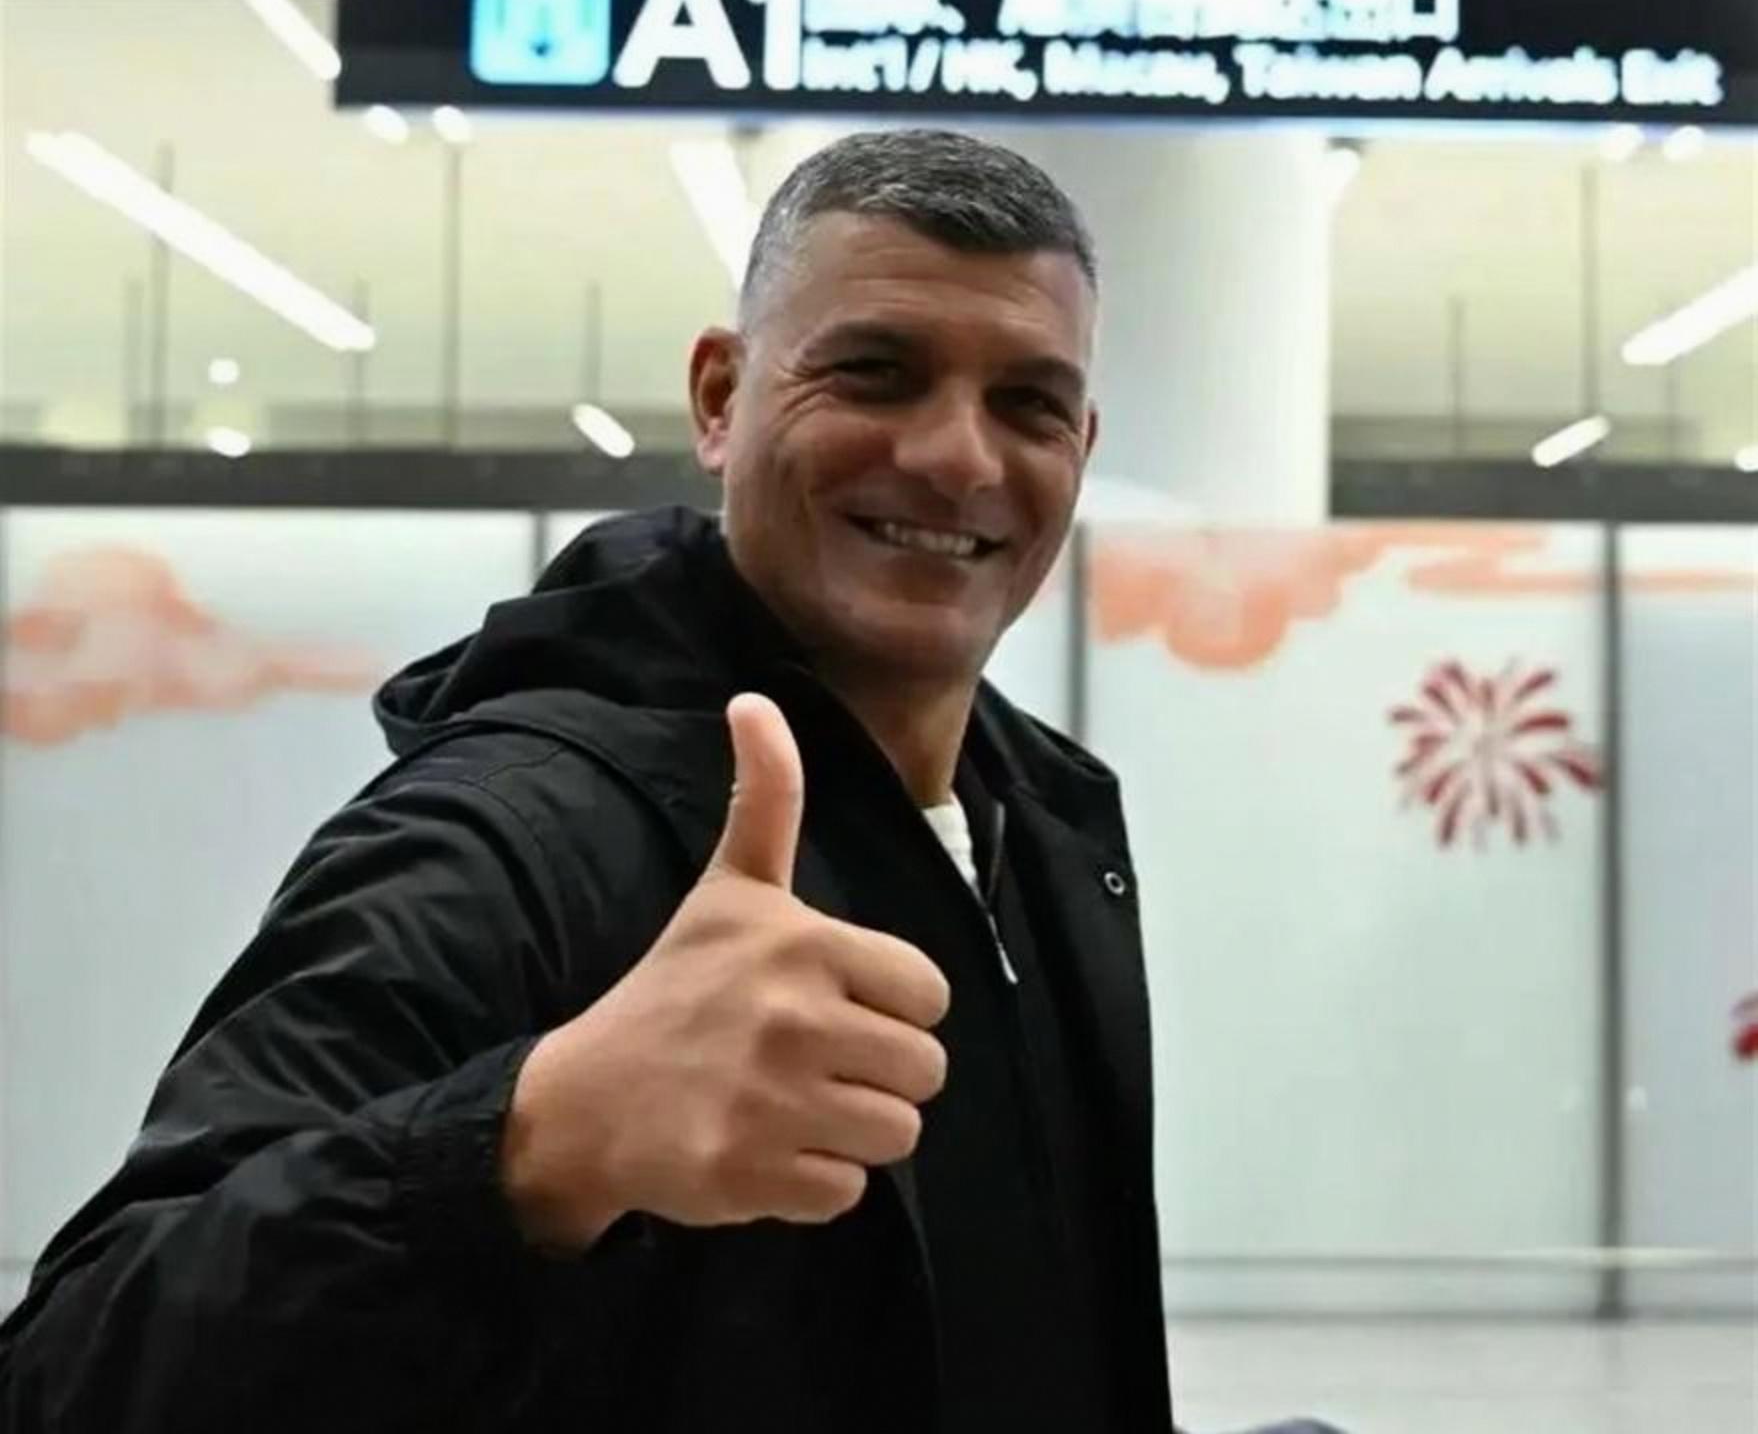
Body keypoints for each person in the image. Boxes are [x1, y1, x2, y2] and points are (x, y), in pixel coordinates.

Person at [0, 128, 1195, 1432]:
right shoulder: (511, 835)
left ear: (1080, 446)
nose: (958, 456)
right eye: (875, 373)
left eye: (1027, 404)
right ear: (720, 400)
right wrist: (530, 1144)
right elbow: (77, 1373)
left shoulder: (1048, 818)